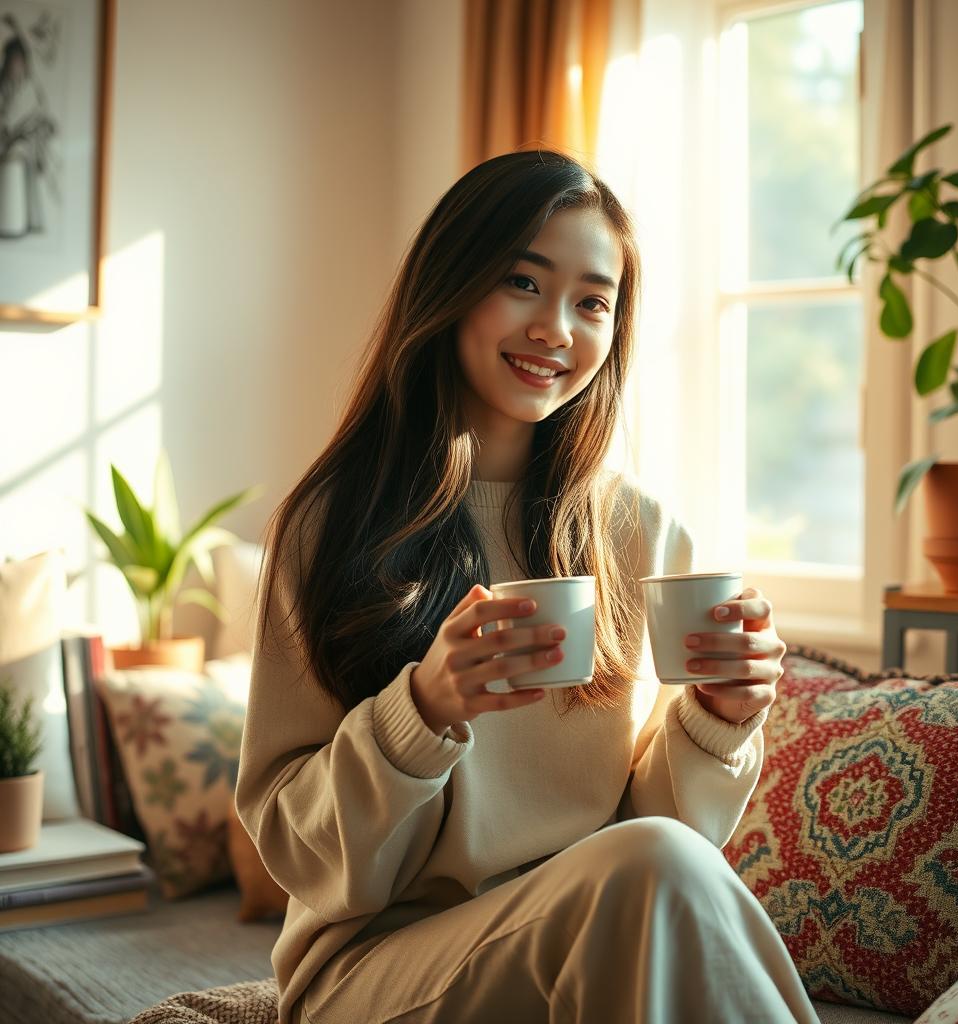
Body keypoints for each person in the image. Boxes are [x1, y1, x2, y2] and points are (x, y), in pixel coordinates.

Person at [236, 149, 819, 1024]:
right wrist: (421, 711)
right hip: (369, 967)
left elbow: (666, 838)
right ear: (452, 285)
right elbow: (299, 850)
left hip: (586, 935)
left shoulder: (640, 533)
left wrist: (720, 719)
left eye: (592, 301)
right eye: (522, 281)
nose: (557, 327)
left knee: (654, 860)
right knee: (648, 866)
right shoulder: (330, 526)